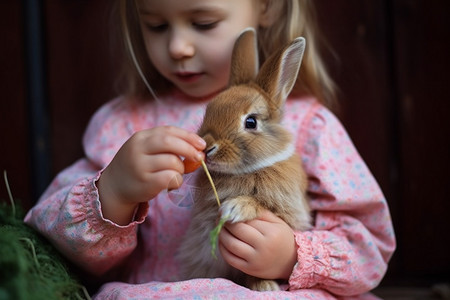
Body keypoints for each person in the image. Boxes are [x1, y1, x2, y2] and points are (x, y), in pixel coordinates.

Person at [25, 0, 396, 298]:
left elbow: (369, 245)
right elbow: (51, 241)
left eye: (202, 23)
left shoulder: (309, 126)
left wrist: (292, 256)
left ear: (266, 7)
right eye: (156, 25)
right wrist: (115, 191)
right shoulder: (124, 125)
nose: (178, 47)